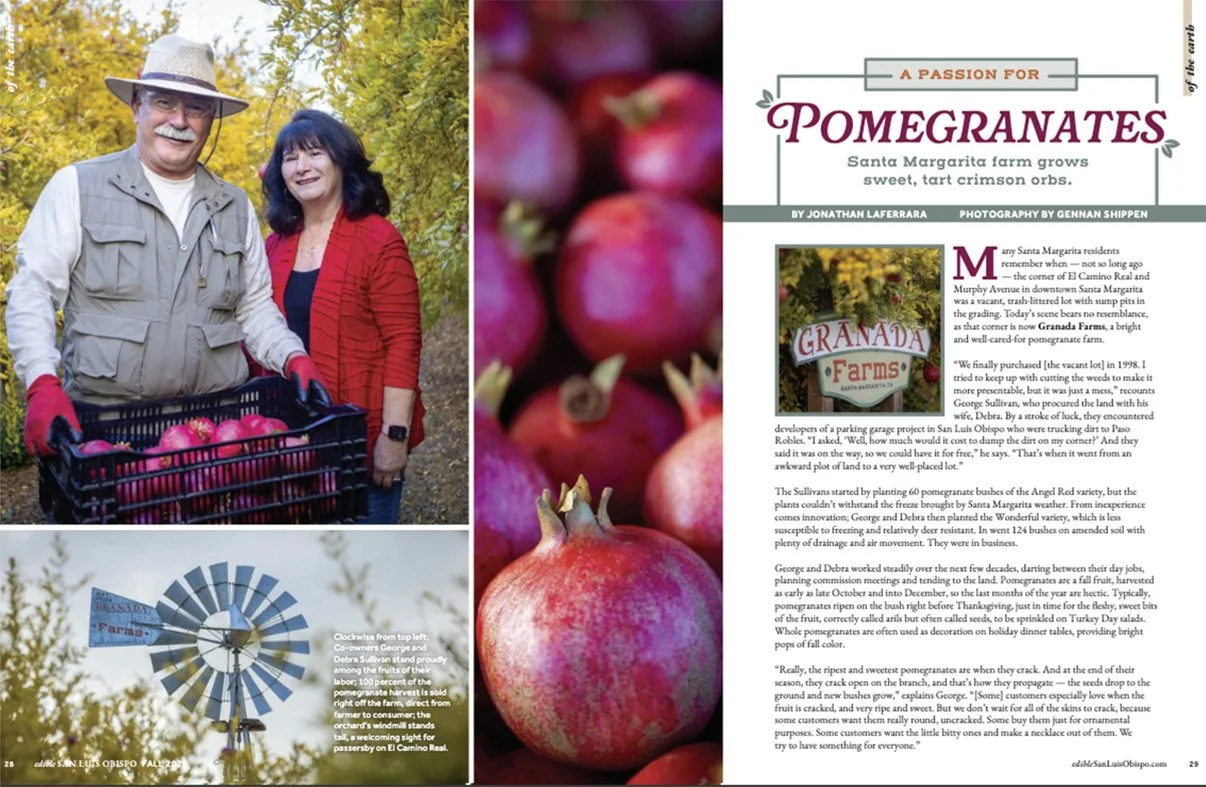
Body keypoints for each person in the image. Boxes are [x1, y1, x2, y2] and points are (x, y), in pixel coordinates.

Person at [4, 33, 328, 463]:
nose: (179, 120)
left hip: (215, 433)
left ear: (211, 118)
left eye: (195, 108)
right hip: (106, 430)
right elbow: (33, 293)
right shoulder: (77, 187)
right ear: (137, 104)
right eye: (163, 102)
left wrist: (292, 357)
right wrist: (42, 385)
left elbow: (253, 307)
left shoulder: (234, 206)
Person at [260, 109, 426, 525]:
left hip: (359, 438)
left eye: (314, 154)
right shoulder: (274, 246)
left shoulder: (378, 240)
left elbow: (403, 342)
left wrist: (394, 436)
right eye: (290, 158)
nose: (302, 167)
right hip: (290, 440)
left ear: (340, 160)